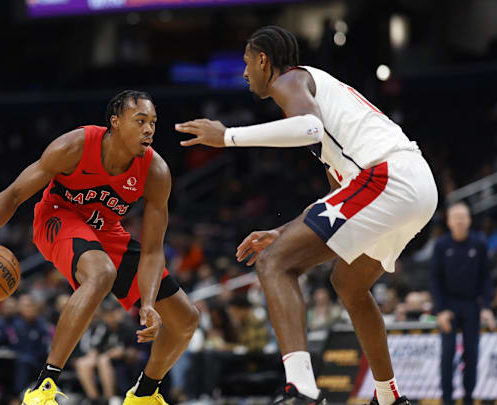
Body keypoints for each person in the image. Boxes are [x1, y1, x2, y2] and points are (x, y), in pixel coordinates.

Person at [176, 26, 437, 405]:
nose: (245, 73)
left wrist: (228, 136)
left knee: (274, 264)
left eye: (247, 63)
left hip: (389, 177)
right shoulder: (320, 100)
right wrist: (283, 230)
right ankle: (389, 397)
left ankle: (302, 391)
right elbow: (339, 194)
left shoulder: (291, 80)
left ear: (264, 60)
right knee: (349, 285)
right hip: (413, 185)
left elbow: (308, 128)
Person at [0, 90, 199, 405]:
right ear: (115, 122)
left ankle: (144, 394)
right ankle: (43, 387)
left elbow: (152, 251)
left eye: (153, 122)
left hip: (105, 230)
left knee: (185, 318)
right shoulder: (73, 147)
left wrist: (148, 303)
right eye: (140, 121)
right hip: (57, 216)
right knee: (101, 273)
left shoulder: (156, 172)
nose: (149, 129)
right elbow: (15, 193)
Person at [430, 202, 495, 405]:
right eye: (455, 217)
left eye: (462, 217)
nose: (459, 221)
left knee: (472, 353)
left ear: (469, 220)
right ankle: (446, 400)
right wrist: (440, 310)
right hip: (448, 305)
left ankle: (468, 398)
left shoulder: (479, 244)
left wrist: (486, 307)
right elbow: (435, 280)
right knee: (447, 353)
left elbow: (487, 277)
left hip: (471, 305)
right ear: (449, 221)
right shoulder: (441, 245)